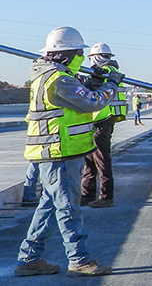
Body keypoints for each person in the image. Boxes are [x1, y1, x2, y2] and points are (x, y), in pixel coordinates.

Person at [16, 27, 120, 278]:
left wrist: (95, 82)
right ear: (68, 54)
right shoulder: (59, 79)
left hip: (56, 152)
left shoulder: (54, 76)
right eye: (79, 54)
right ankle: (80, 259)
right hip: (58, 153)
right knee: (68, 209)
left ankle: (30, 258)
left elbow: (81, 98)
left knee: (49, 207)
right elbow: (93, 102)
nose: (82, 59)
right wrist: (111, 84)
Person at [80, 43, 127, 208]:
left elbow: (91, 85)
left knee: (101, 159)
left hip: (102, 119)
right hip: (101, 120)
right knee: (90, 159)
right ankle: (87, 195)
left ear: (98, 57)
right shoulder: (111, 71)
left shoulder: (106, 71)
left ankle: (106, 196)